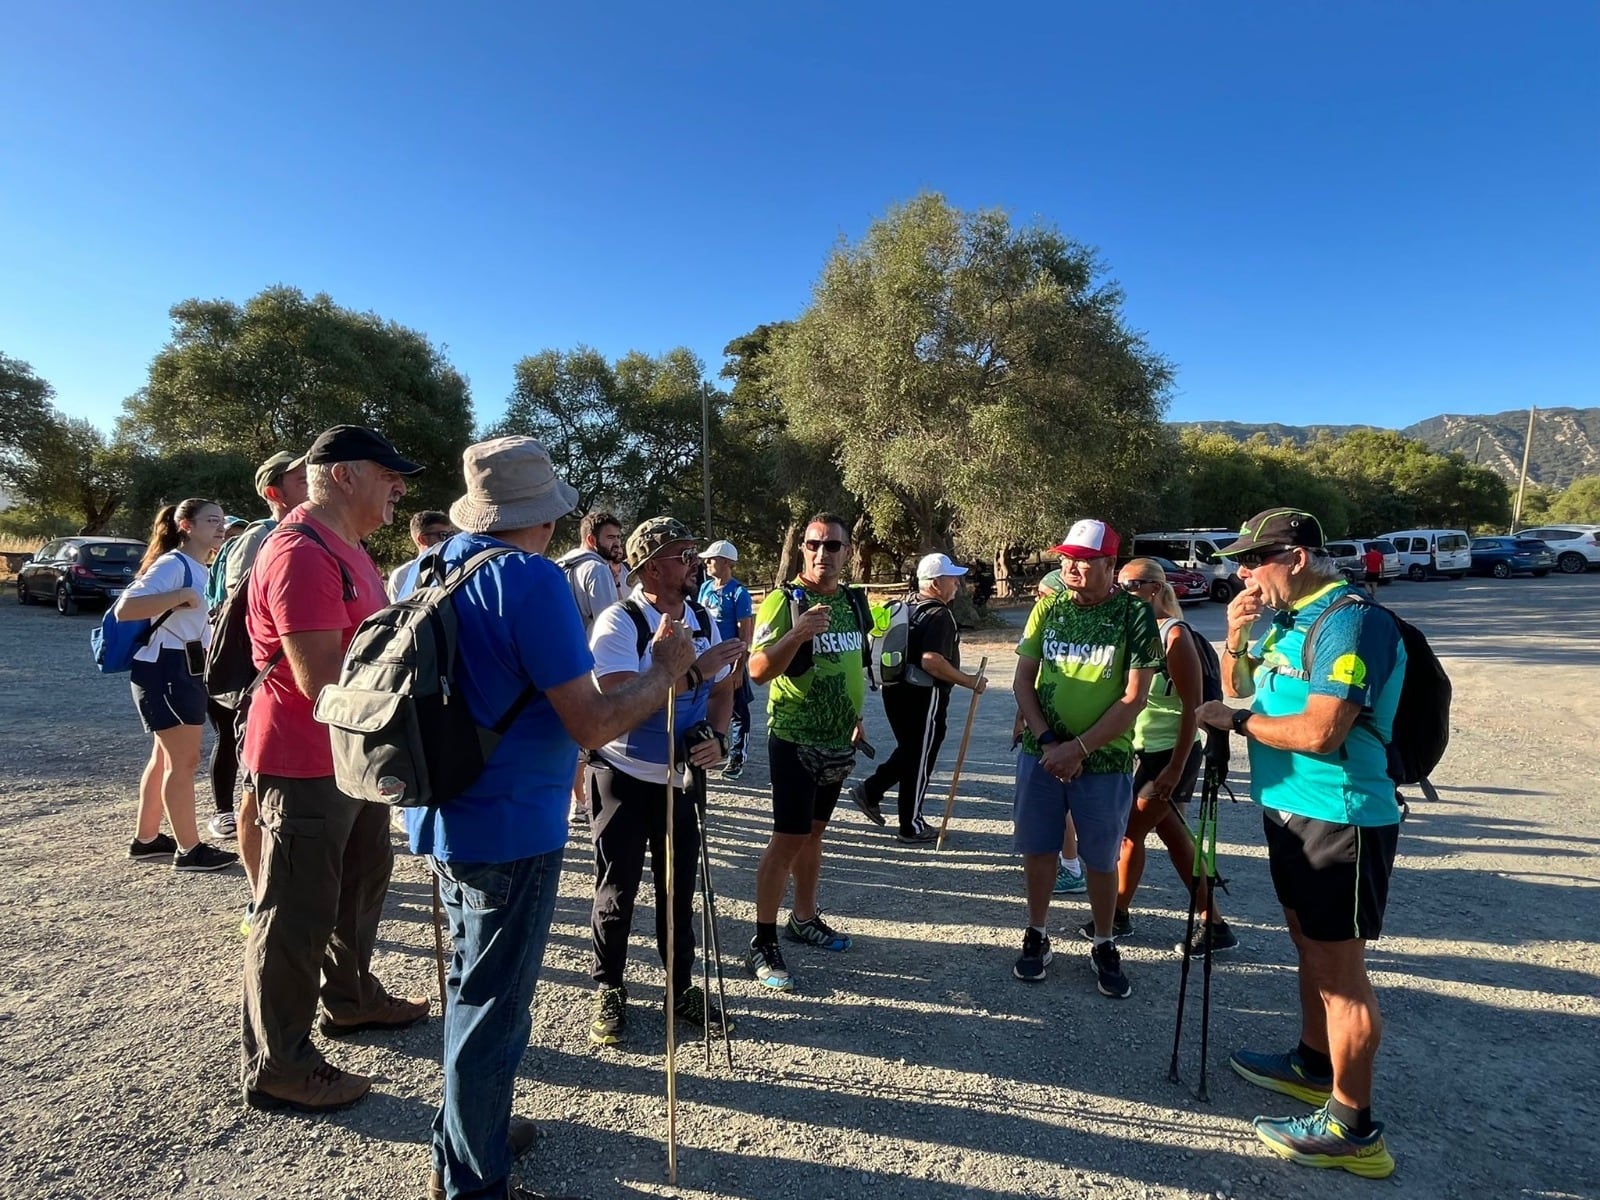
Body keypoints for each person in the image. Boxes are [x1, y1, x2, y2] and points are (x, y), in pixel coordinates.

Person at [406, 439, 696, 1200]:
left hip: (441, 811)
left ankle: (470, 1133)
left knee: (470, 989)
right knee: (495, 1008)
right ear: (548, 512)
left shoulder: (428, 565)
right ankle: (476, 1181)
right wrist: (666, 669)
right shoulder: (528, 581)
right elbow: (593, 722)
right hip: (510, 823)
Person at [1196, 507, 1404, 1179]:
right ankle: (1314, 1064)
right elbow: (1246, 694)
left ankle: (1353, 1126)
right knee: (1309, 948)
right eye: (1239, 562)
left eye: (1253, 560)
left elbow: (1321, 732)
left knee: (1342, 976)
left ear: (1298, 557)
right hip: (1288, 809)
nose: (1242, 573)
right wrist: (1235, 639)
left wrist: (1237, 719)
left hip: (1339, 817)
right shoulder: (1286, 622)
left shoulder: (1351, 620)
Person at [240, 425, 430, 1114]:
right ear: (345, 476)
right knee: (295, 912)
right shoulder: (298, 551)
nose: (400, 488)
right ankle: (279, 1064)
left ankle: (350, 1000)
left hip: (353, 757)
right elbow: (321, 677)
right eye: (389, 474)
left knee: (360, 883)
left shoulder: (352, 548)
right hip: (303, 758)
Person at [585, 518, 744, 1047]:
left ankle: (680, 989)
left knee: (679, 889)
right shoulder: (620, 620)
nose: (694, 563)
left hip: (682, 775)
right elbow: (614, 701)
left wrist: (718, 740)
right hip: (624, 774)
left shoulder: (701, 615)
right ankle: (610, 987)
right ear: (651, 566)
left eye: (694, 553)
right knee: (618, 887)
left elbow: (726, 689)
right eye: (683, 555)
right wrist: (692, 673)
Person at [1011, 519, 1161, 998]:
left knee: (1100, 857)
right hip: (1043, 753)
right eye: (1066, 559)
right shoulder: (1048, 607)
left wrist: (1080, 749)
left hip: (1104, 760)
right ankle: (1037, 932)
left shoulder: (1134, 615)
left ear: (1109, 565)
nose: (1072, 568)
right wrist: (1050, 741)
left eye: (1084, 560)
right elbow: (1022, 682)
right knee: (1039, 848)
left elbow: (1135, 697)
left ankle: (1103, 939)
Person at [744, 514, 872, 991]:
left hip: (838, 741)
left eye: (833, 546)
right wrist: (796, 634)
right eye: (815, 544)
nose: (824, 554)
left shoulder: (854, 602)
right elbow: (757, 671)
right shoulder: (784, 601)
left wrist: (856, 718)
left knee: (814, 836)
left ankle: (803, 918)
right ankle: (762, 939)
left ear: (847, 551)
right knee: (787, 838)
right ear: (803, 548)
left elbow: (852, 664)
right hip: (795, 739)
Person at [1109, 558, 1236, 953]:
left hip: (1169, 754)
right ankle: (1213, 923)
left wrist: (1177, 767)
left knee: (1130, 833)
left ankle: (1115, 916)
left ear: (1152, 588)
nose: (1120, 591)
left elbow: (1192, 707)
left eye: (1128, 585)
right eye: (1119, 584)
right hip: (1144, 749)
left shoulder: (1174, 636)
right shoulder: (1138, 630)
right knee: (1173, 834)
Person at [116, 498, 240, 874]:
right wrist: (181, 596)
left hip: (183, 667)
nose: (220, 527)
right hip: (167, 669)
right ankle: (189, 850)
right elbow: (126, 608)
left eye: (221, 520)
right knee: (183, 761)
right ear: (185, 525)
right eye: (210, 521)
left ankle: (148, 839)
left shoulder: (200, 567)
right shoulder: (173, 564)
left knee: (164, 758)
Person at [849, 553, 986, 842]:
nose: (957, 585)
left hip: (894, 690)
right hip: (924, 695)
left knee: (912, 751)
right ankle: (911, 825)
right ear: (936, 583)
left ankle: (871, 791)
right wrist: (969, 682)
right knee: (920, 755)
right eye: (952, 579)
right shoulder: (939, 614)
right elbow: (931, 660)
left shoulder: (906, 605)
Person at [556, 511, 626, 822]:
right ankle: (589, 801)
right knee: (593, 734)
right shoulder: (595, 569)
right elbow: (611, 621)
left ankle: (576, 800)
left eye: (619, 538)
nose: (617, 544)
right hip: (590, 664)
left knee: (570, 737)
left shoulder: (561, 564)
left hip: (559, 660)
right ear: (590, 539)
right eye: (610, 538)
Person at [1026, 567, 1086, 896]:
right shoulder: (1045, 626)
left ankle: (1073, 866)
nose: (1039, 600)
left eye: (1044, 594)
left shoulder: (1072, 629)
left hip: (1069, 738)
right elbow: (1033, 679)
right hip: (1044, 730)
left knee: (1065, 805)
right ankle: (1069, 863)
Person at [697, 539, 755, 779]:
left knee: (739, 710)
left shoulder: (739, 593)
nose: (708, 562)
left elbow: (745, 635)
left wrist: (738, 669)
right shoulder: (705, 588)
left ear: (727, 562)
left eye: (712, 559)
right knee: (704, 706)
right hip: (708, 660)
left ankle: (737, 756)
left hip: (730, 662)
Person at [387, 510, 457, 600]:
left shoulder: (457, 567)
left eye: (451, 535)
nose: (449, 541)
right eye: (443, 535)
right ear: (422, 540)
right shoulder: (402, 575)